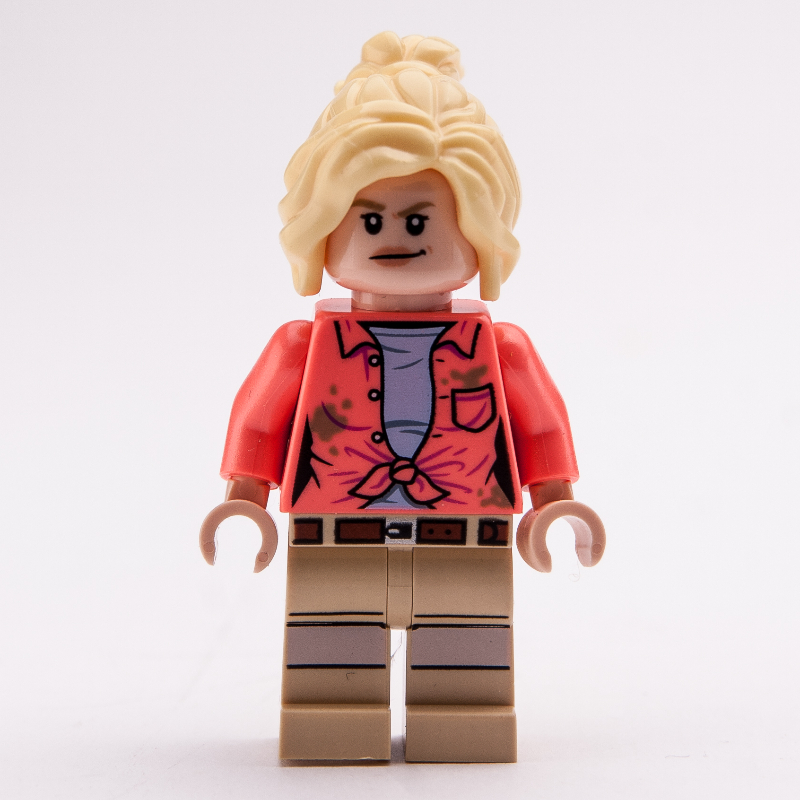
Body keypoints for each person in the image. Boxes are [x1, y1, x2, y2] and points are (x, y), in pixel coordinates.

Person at [200, 31, 605, 763]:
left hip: (466, 526)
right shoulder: (302, 346)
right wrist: (244, 498)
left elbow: (540, 426)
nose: (394, 238)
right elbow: (260, 420)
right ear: (323, 227)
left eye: (420, 220)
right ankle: (331, 721)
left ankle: (463, 724)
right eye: (369, 219)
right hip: (334, 527)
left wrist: (554, 502)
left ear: (478, 229)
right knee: (330, 652)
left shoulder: (501, 349)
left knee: (466, 651)